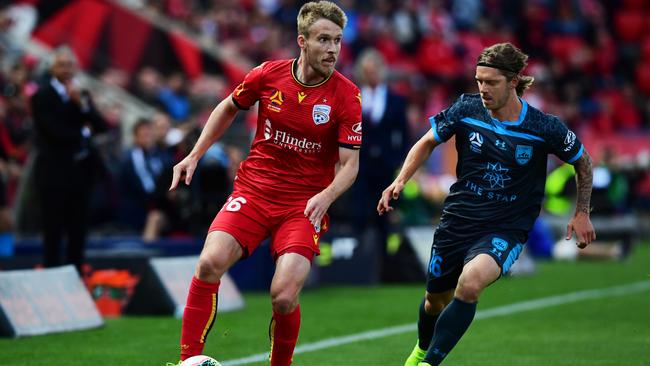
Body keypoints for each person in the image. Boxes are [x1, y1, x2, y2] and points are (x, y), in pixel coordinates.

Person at [167, 2, 362, 365]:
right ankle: (188, 360)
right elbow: (228, 106)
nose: (333, 49)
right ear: (302, 41)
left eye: (337, 40)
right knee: (209, 263)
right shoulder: (267, 75)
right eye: (324, 40)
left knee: (284, 296)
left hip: (303, 205)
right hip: (254, 191)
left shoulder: (346, 95)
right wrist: (194, 154)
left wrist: (327, 196)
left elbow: (350, 165)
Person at [377, 43, 596, 366]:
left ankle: (427, 364)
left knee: (470, 284)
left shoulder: (543, 127)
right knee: (434, 302)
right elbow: (426, 141)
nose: (483, 89)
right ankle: (422, 349)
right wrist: (401, 180)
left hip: (505, 228)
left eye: (491, 82)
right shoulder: (466, 109)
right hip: (458, 221)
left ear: (513, 81)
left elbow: (583, 162)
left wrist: (581, 212)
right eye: (479, 80)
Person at [30, 46, 107, 273]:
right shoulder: (41, 96)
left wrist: (81, 105)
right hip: (53, 172)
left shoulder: (81, 95)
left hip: (80, 172)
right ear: (52, 68)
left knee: (78, 228)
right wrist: (83, 133)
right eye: (61, 65)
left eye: (70, 65)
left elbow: (101, 126)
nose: (66, 70)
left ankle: (76, 274)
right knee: (53, 228)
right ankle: (52, 274)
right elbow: (53, 132)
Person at [352, 48, 410, 279]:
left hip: (386, 166)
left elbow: (403, 134)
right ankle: (360, 262)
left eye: (374, 70)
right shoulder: (355, 96)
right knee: (360, 211)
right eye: (367, 71)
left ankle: (385, 265)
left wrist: (398, 161)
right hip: (361, 166)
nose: (372, 75)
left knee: (386, 214)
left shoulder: (396, 100)